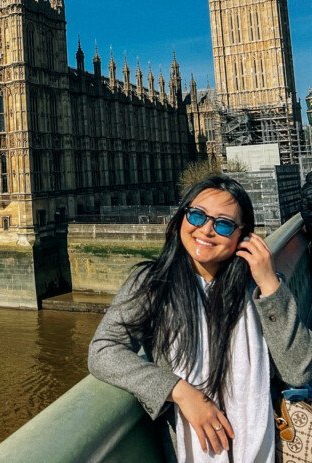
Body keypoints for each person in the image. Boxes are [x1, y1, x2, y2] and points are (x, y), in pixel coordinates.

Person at [88, 175, 312, 463]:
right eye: (197, 215)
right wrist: (179, 391)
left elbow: (300, 371)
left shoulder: (258, 288)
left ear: (242, 235)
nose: (206, 230)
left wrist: (270, 285)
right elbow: (103, 349)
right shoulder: (152, 283)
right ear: (182, 217)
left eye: (223, 224)